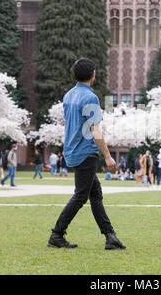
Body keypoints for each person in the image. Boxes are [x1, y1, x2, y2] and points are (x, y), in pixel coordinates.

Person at [47, 58, 125, 250]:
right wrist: (107, 155)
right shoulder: (90, 98)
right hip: (85, 151)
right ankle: (56, 234)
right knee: (81, 196)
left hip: (72, 149)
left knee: (95, 194)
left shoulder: (68, 96)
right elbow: (95, 130)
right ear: (93, 75)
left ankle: (110, 236)